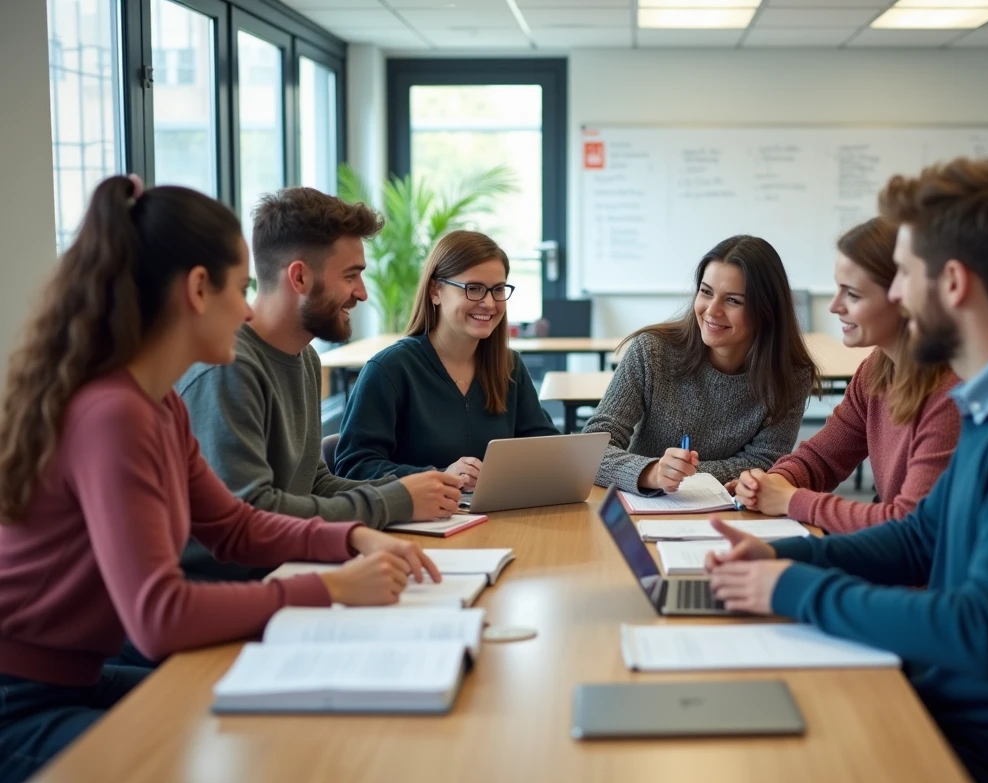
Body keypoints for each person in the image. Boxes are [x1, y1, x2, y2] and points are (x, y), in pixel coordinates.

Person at [707, 158, 988, 783]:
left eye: (904, 275)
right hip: (951, 702)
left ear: (954, 283)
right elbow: (918, 540)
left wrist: (797, 588)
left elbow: (983, 632)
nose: (899, 296)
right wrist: (778, 555)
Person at [0, 176, 440, 783]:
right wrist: (332, 586)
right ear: (197, 291)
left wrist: (352, 540)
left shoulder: (157, 405)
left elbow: (235, 525)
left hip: (78, 677)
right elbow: (159, 616)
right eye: (238, 289)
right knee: (219, 766)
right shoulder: (115, 413)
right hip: (21, 704)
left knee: (267, 734)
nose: (245, 310)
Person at [176, 187, 461, 583]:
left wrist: (413, 488)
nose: (361, 293)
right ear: (299, 276)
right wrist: (394, 499)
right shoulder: (228, 368)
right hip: (232, 589)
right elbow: (254, 515)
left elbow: (311, 482)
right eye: (351, 276)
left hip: (288, 572)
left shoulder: (305, 357)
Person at [732, 218, 959, 533]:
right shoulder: (877, 369)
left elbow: (909, 527)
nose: (834, 307)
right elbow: (823, 458)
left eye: (852, 294)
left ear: (904, 297)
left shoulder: (949, 394)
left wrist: (792, 500)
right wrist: (774, 482)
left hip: (927, 578)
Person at [582, 235, 818, 495]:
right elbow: (593, 448)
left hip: (731, 512)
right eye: (706, 292)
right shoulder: (652, 351)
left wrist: (683, 475)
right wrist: (652, 472)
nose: (711, 311)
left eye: (733, 300)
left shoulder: (791, 375)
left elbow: (764, 465)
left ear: (766, 310)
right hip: (644, 505)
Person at [333, 230, 559, 485]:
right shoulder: (390, 369)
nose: (489, 303)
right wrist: (438, 476)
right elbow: (353, 467)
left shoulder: (509, 367)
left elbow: (546, 449)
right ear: (435, 291)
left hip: (497, 517)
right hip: (419, 520)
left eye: (498, 290)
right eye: (473, 288)